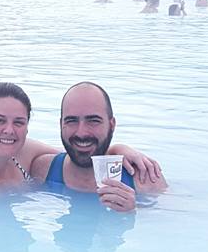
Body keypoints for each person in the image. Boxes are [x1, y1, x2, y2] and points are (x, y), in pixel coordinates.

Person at [0, 82, 161, 197]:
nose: (9, 130)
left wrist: (117, 148)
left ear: (27, 127)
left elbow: (79, 154)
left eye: (18, 122)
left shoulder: (26, 153)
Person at [30, 82, 167, 212]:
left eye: (93, 121)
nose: (81, 133)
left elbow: (171, 223)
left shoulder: (143, 178)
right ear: (61, 124)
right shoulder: (42, 170)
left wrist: (132, 211)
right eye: (72, 121)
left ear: (112, 125)